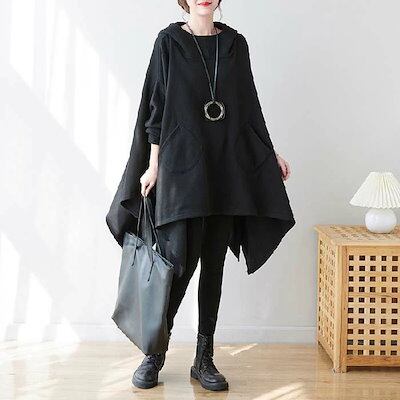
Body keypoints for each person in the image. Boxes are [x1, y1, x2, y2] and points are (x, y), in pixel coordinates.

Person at [106, 0, 296, 392]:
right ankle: (155, 351)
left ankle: (203, 357)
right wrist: (153, 165)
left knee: (214, 264)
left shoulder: (235, 45)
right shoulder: (169, 42)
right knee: (178, 263)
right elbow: (156, 106)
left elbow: (249, 106)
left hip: (226, 166)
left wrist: (269, 152)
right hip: (182, 165)